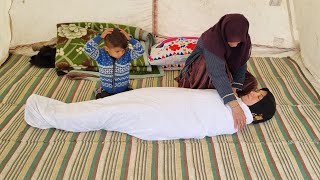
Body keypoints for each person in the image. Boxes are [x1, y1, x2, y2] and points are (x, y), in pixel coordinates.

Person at [24, 87, 276, 141]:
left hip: (160, 116)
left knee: (108, 114)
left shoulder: (239, 118)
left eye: (259, 97)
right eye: (258, 91)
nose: (255, 93)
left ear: (259, 111)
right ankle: (57, 110)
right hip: (163, 99)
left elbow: (206, 120)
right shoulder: (231, 95)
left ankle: (48, 115)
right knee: (109, 104)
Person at [175, 14, 255, 130]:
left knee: (250, 82)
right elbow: (217, 73)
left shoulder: (244, 39)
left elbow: (241, 62)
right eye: (230, 40)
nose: (234, 45)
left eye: (238, 41)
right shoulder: (211, 39)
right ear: (224, 33)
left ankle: (222, 92)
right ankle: (218, 93)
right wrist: (235, 106)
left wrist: (234, 88)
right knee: (206, 65)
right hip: (201, 72)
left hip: (224, 69)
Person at [84, 28, 144, 99]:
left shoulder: (127, 54)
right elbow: (88, 48)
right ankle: (99, 91)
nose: (121, 53)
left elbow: (140, 51)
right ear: (107, 48)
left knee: (131, 100)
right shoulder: (100, 55)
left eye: (123, 50)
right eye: (117, 51)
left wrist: (129, 38)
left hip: (124, 89)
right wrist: (100, 37)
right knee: (102, 102)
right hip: (107, 90)